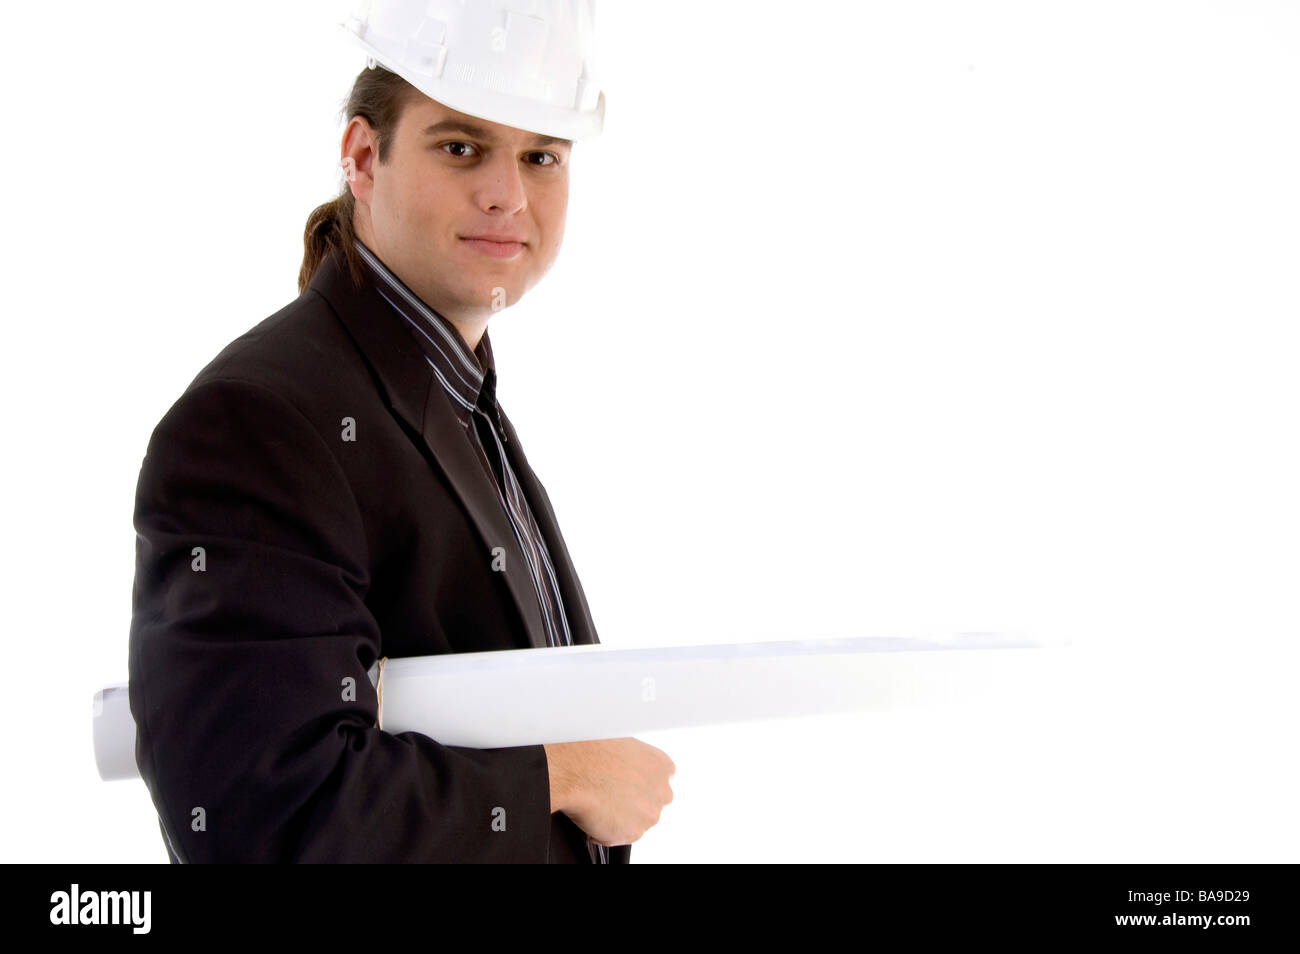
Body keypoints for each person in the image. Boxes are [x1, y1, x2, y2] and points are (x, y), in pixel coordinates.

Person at [128, 0, 674, 863]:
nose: (507, 192)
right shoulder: (260, 423)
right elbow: (265, 815)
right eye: (460, 147)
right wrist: (559, 776)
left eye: (542, 156)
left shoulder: (452, 395)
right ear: (361, 157)